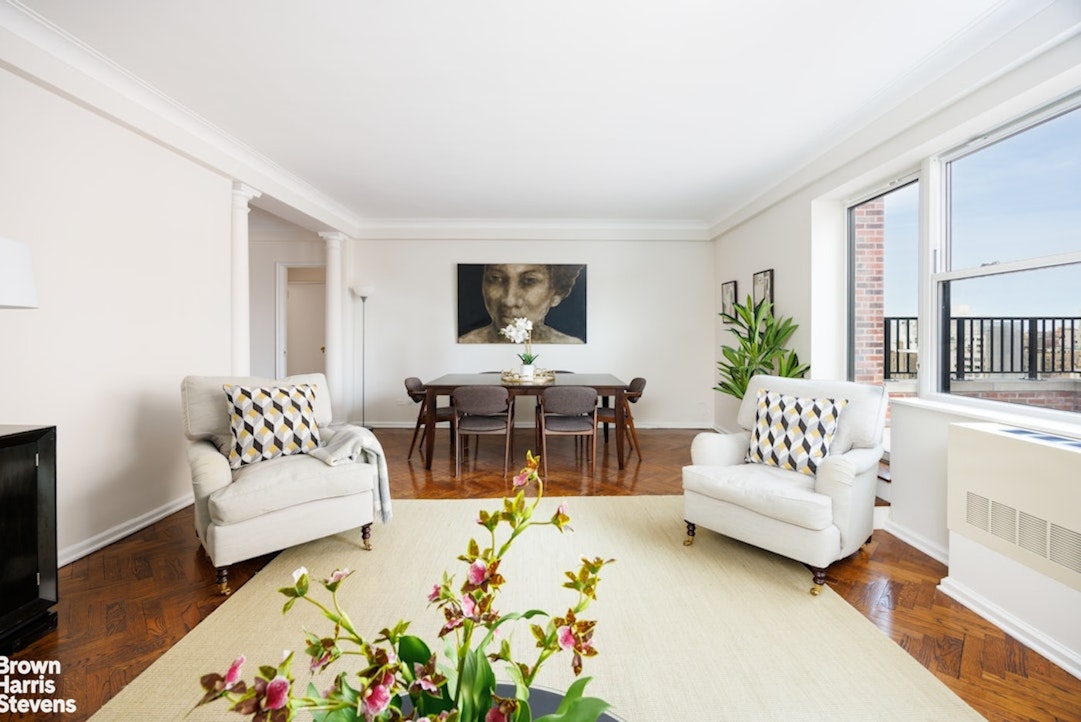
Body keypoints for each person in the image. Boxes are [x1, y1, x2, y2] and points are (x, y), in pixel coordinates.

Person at [458, 263, 585, 344]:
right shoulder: (465, 343)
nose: (509, 300)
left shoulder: (572, 345)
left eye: (529, 281)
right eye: (496, 278)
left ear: (557, 293)